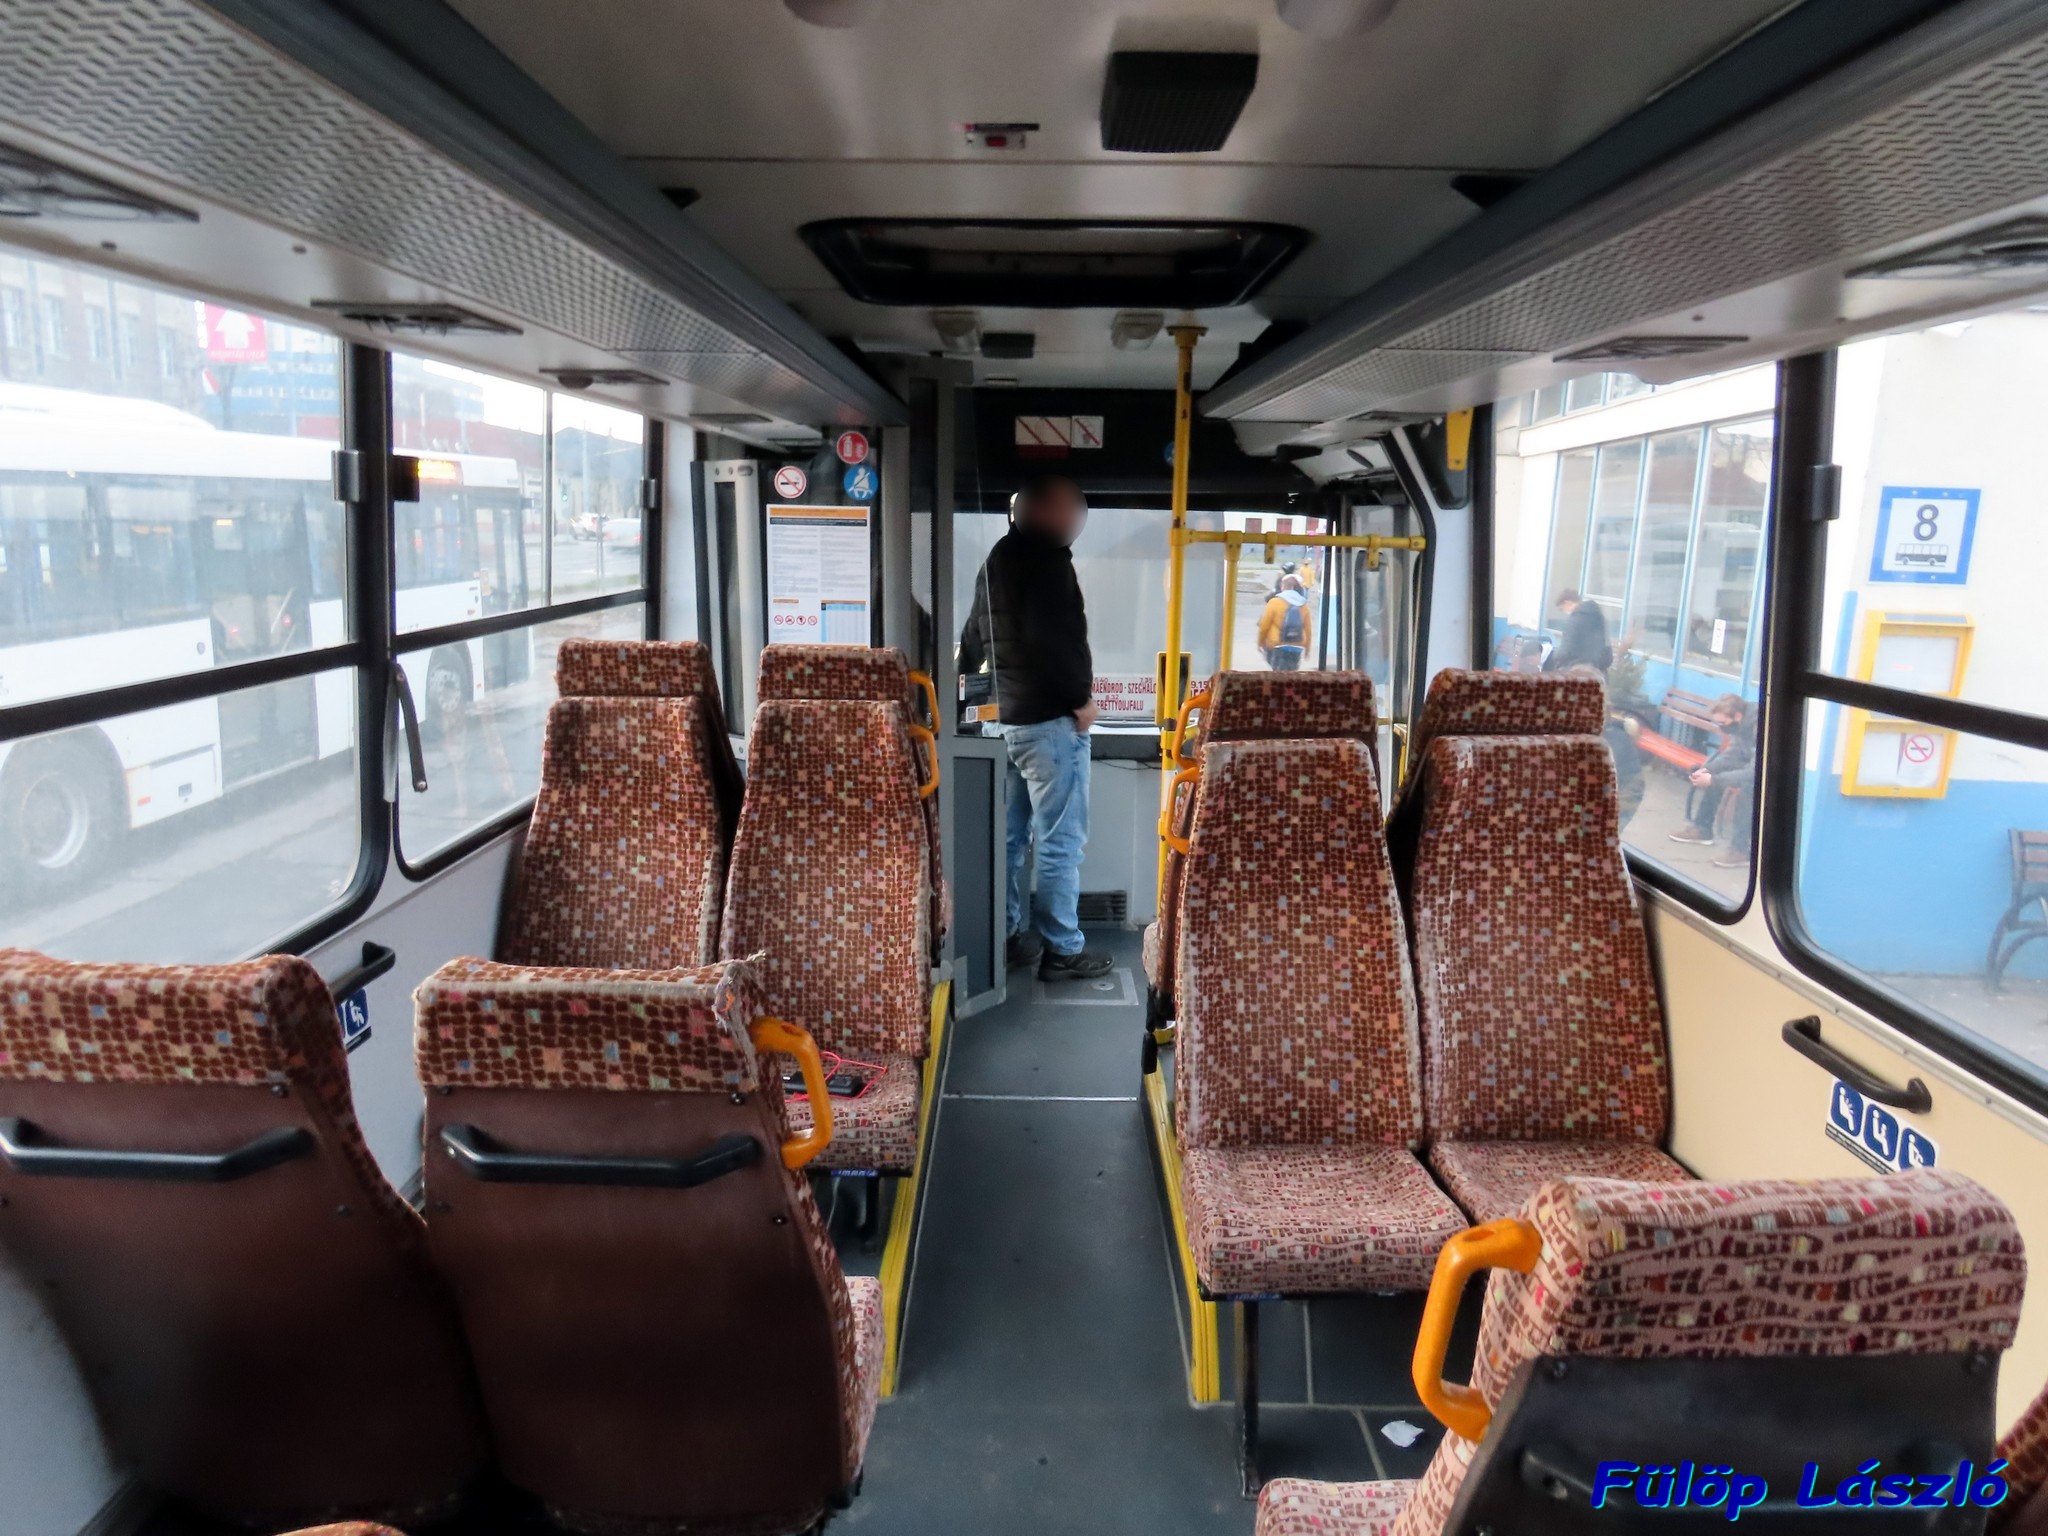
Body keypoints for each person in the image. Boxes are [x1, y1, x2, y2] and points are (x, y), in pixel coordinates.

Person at [957, 474, 1115, 981]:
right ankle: (1062, 949)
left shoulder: (998, 559)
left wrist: (973, 704)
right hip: (1048, 724)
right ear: (1042, 510)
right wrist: (1080, 700)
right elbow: (1054, 642)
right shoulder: (1048, 562)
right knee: (1060, 842)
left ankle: (1004, 938)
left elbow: (973, 637)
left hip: (1004, 723)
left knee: (1009, 840)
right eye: (1070, 509)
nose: (1075, 519)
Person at [1669, 694, 1755, 863]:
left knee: (1749, 786)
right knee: (1717, 771)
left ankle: (1740, 850)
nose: (1720, 727)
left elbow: (1755, 771)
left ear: (1737, 716)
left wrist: (1713, 780)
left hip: (1774, 773)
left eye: (1722, 723)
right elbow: (1732, 754)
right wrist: (1707, 770)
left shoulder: (1760, 727)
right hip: (1751, 762)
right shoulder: (1740, 724)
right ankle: (1702, 828)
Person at [1542, 588, 1612, 674]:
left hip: (1578, 672)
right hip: (1600, 672)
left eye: (1562, 609)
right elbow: (1607, 648)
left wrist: (1554, 656)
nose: (1564, 612)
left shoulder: (1573, 621)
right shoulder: (1601, 619)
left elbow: (1565, 652)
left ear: (1567, 603)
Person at [1257, 572, 1313, 671]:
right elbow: (1308, 629)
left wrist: (1260, 642)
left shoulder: (1274, 602)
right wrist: (1307, 649)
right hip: (1297, 645)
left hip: (1277, 644)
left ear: (1283, 587)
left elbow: (1264, 625)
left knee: (1278, 675)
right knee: (1292, 675)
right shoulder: (1303, 605)